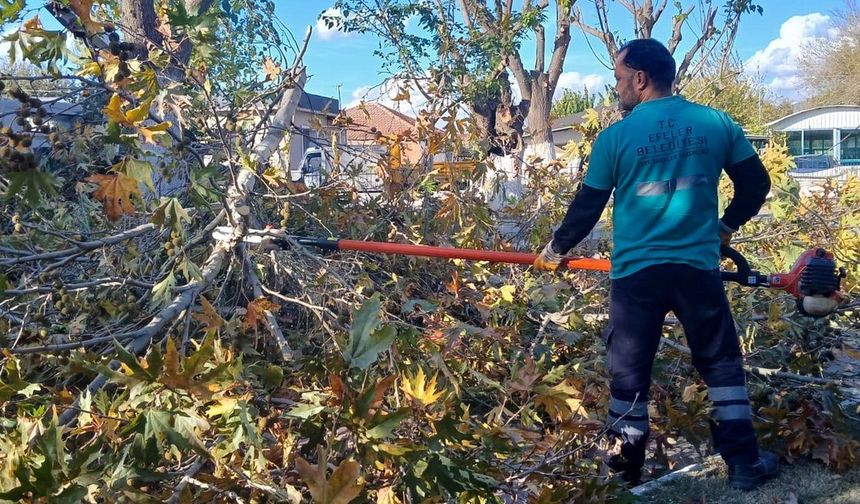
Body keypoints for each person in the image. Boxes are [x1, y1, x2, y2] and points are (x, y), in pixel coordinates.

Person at [533, 38, 778, 490]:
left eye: (619, 78)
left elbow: (587, 207)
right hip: (696, 270)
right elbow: (755, 185)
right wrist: (725, 229)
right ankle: (744, 464)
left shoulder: (615, 138)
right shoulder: (716, 123)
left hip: (635, 278)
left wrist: (555, 250)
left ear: (640, 79)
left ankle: (625, 476)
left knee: (629, 374)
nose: (617, 87)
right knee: (721, 364)